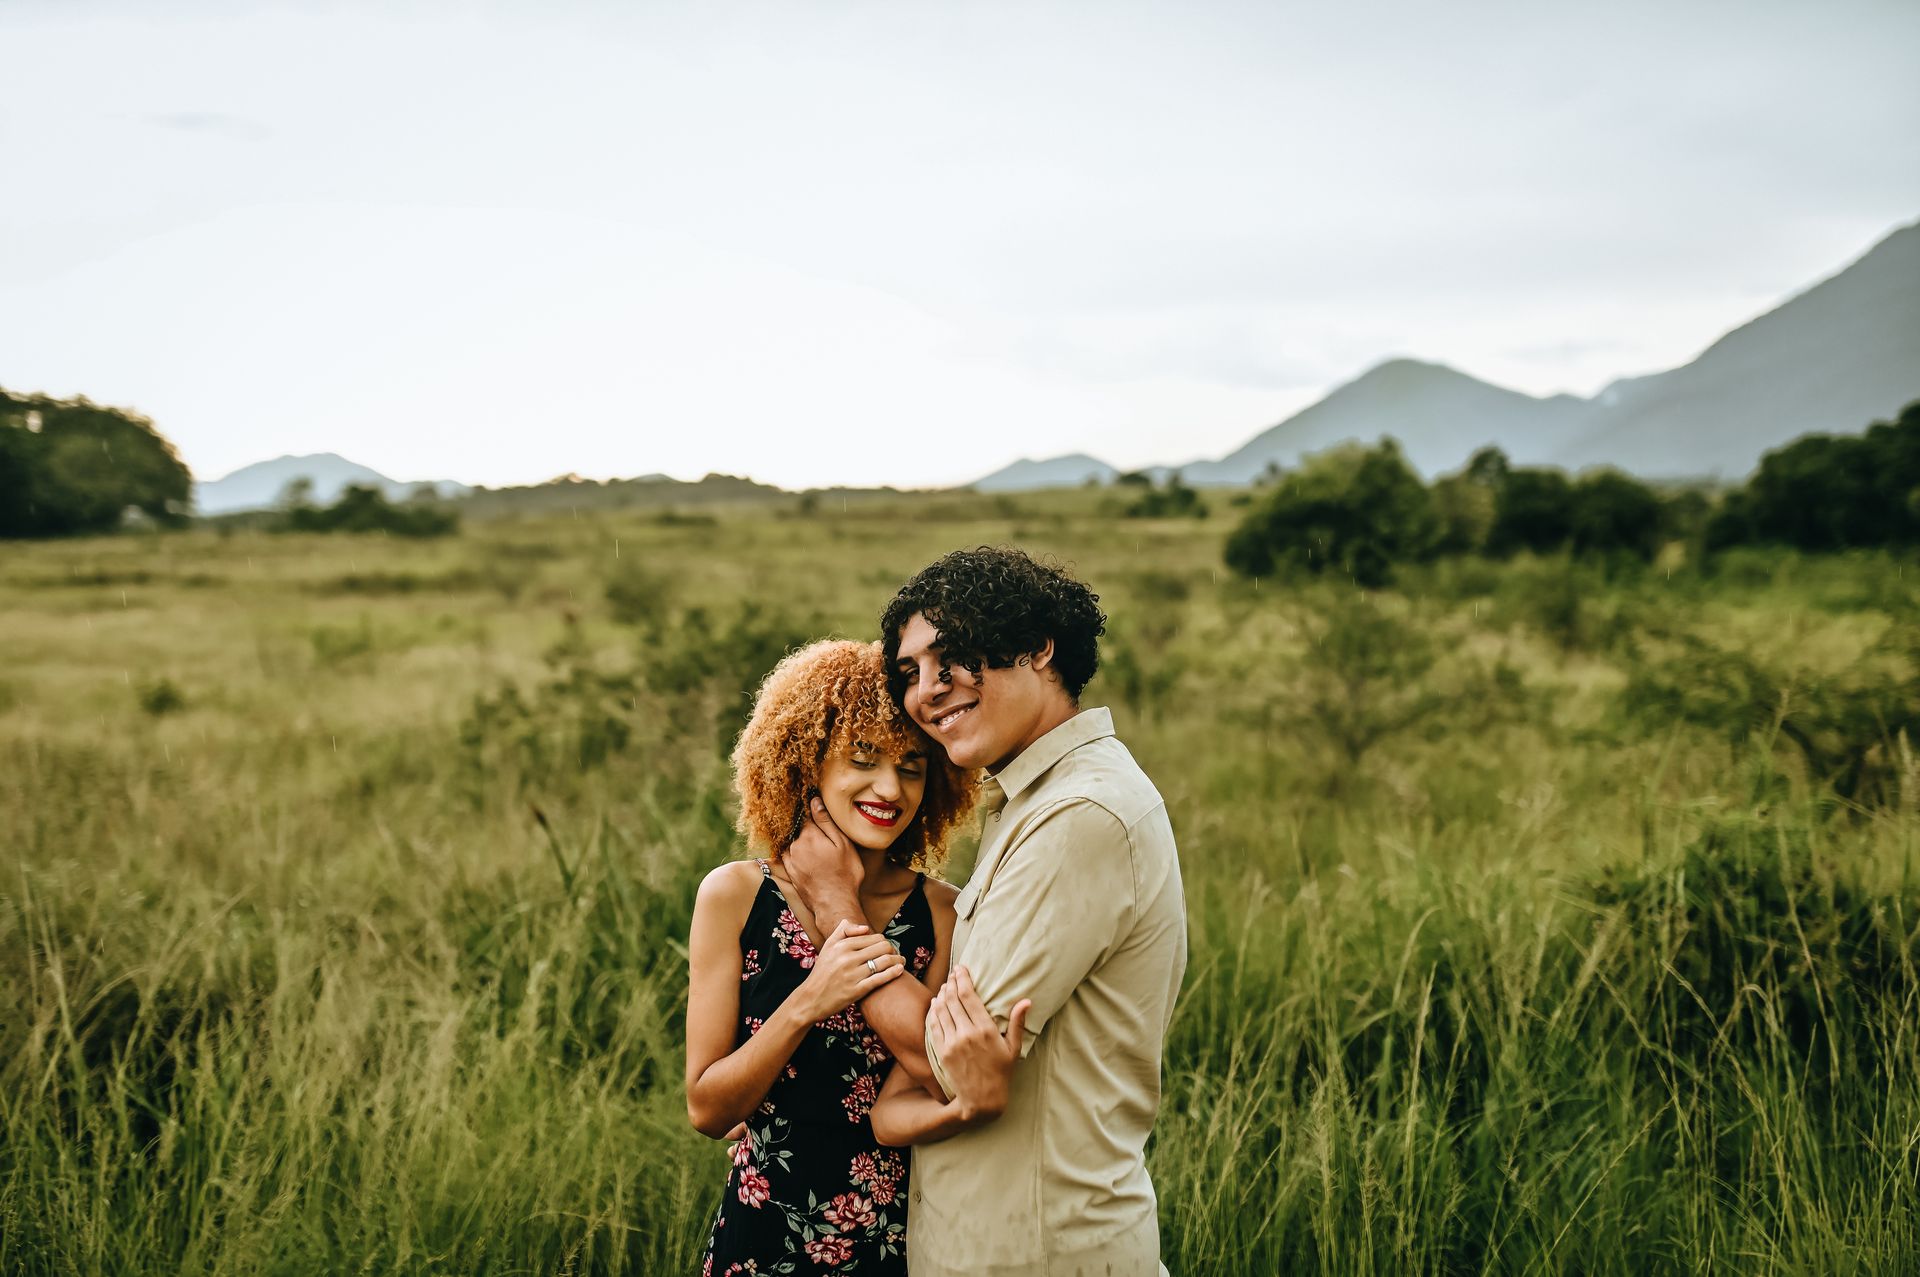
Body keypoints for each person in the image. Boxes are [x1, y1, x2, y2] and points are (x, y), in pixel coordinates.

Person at [785, 547, 1188, 1277]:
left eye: (953, 658)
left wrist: (837, 899)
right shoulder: (1033, 800)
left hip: (1039, 1249)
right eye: (910, 672)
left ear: (1039, 646)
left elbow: (946, 1060)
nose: (929, 692)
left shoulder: (1080, 814)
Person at [685, 638, 989, 1274]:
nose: (890, 788)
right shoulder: (736, 895)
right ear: (805, 763)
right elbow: (708, 1109)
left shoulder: (941, 911)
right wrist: (805, 1005)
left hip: (896, 1237)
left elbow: (936, 1070)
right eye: (863, 759)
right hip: (761, 1236)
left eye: (911, 766)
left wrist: (836, 902)